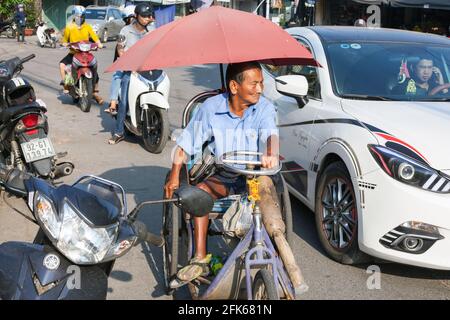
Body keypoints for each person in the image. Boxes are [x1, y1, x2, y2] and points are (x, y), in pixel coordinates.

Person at [164, 61, 300, 288]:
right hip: (225, 175)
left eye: (261, 83)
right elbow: (187, 142)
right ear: (234, 87)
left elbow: (270, 135)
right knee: (201, 194)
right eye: (254, 84)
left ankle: (275, 253)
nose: (260, 89)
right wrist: (175, 174)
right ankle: (200, 257)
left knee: (272, 210)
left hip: (258, 175)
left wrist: (270, 153)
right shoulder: (210, 108)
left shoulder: (265, 107)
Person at [108, 3, 155, 145]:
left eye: (150, 16)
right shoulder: (126, 30)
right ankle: (119, 132)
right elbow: (120, 49)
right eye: (145, 16)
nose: (148, 19)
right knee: (124, 99)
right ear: (136, 16)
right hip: (130, 69)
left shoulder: (151, 29)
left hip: (146, 68)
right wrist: (128, 64)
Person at [59, 5, 104, 104]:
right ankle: (66, 85)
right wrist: (64, 43)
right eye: (78, 16)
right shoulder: (69, 27)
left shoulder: (87, 26)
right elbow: (65, 40)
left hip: (85, 53)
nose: (80, 18)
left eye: (82, 16)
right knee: (62, 65)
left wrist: (99, 43)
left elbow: (94, 37)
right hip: (73, 53)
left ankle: (95, 92)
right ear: (74, 16)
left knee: (94, 67)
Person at [104, 5, 136, 116]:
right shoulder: (123, 31)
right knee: (117, 76)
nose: (133, 21)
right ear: (127, 19)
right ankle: (113, 104)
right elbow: (120, 49)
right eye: (130, 18)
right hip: (125, 63)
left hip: (139, 63)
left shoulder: (144, 30)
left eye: (134, 18)